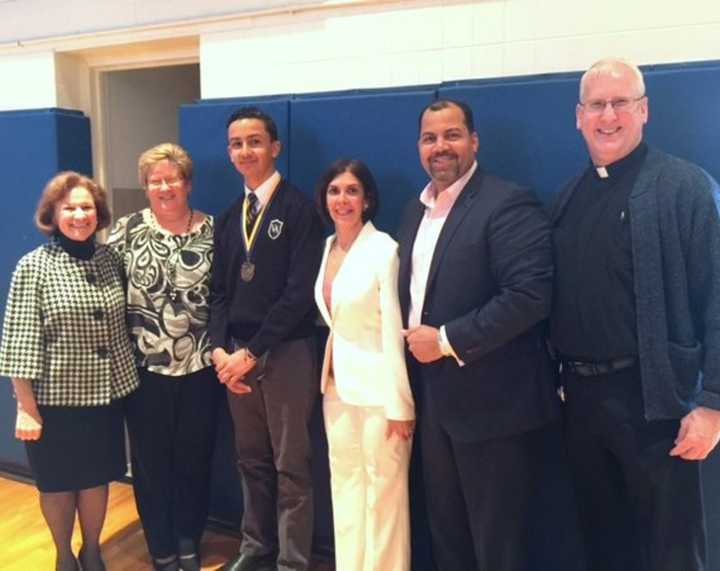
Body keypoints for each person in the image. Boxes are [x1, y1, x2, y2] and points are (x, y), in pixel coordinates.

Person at [549, 57, 720, 571]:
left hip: (658, 405)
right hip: (582, 405)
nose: (608, 116)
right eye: (597, 105)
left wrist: (712, 402)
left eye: (620, 103)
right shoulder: (567, 199)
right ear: (578, 117)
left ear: (643, 110)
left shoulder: (685, 188)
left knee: (671, 551)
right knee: (604, 547)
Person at [397, 99, 559, 571]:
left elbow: (529, 296)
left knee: (498, 545)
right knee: (448, 536)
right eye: (430, 138)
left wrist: (446, 339)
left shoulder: (507, 202)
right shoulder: (415, 211)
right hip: (434, 407)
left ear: (474, 141)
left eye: (451, 135)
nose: (440, 147)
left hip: (494, 409)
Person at [0, 172, 139, 571]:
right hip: (53, 403)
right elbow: (19, 340)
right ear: (53, 213)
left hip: (105, 398)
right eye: (70, 207)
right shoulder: (34, 267)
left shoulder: (112, 260)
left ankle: (91, 549)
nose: (80, 215)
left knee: (96, 479)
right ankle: (63, 554)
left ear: (99, 214)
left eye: (87, 207)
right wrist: (25, 406)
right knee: (59, 483)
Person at [210, 106, 324, 571]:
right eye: (237, 143)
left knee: (290, 465)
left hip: (286, 353)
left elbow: (299, 295)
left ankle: (293, 561)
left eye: (254, 141)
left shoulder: (301, 210)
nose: (245, 151)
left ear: (274, 147)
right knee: (251, 460)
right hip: (234, 356)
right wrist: (220, 351)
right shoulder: (228, 217)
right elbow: (216, 292)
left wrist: (252, 353)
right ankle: (255, 547)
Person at [107, 143, 219, 571]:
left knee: (195, 458)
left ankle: (189, 537)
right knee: (150, 465)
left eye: (172, 178)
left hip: (200, 369)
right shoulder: (125, 232)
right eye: (155, 180)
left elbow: (225, 298)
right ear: (145, 187)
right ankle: (161, 546)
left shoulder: (214, 231)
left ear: (187, 183)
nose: (164, 187)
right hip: (145, 371)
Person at [313, 159, 415, 571]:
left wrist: (400, 406)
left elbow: (394, 329)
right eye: (335, 191)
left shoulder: (384, 249)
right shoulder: (326, 248)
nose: (342, 199)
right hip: (335, 391)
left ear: (367, 199)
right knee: (346, 491)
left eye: (352, 191)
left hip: (379, 396)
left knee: (384, 498)